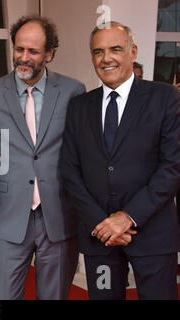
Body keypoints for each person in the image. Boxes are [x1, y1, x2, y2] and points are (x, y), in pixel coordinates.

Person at [61, 21, 180, 300]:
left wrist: (127, 217)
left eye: (115, 49)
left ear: (133, 51)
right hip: (99, 238)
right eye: (98, 52)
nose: (106, 59)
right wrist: (101, 223)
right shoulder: (79, 106)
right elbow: (69, 170)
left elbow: (173, 166)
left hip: (152, 235)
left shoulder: (164, 98)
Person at [0, 15, 85, 300]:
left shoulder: (73, 92)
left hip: (58, 217)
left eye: (33, 51)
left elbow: (79, 153)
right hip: (10, 216)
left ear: (49, 54)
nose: (23, 57)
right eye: (19, 48)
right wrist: (12, 185)